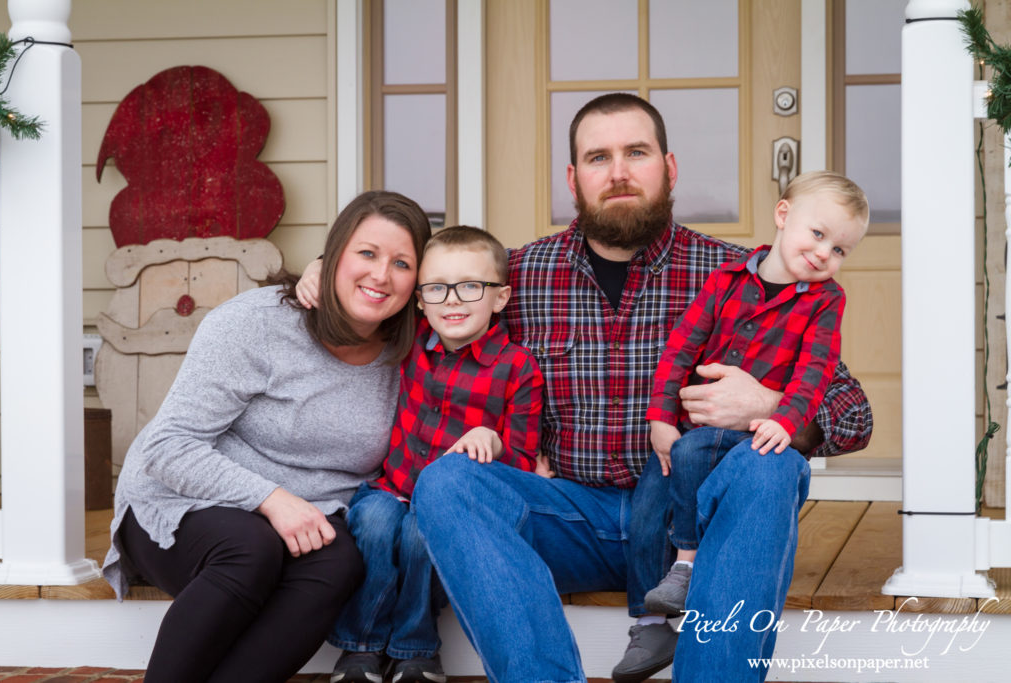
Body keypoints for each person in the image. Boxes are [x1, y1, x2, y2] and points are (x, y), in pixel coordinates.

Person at [296, 94, 872, 683]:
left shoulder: (738, 276)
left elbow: (853, 414)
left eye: (636, 152)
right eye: (599, 157)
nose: (618, 172)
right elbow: (409, 303)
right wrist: (334, 270)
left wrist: (770, 405)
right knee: (448, 483)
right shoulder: (516, 278)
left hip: (691, 531)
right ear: (573, 179)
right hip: (567, 516)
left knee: (771, 467)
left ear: (669, 169)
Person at [101, 190, 432, 683]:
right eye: (365, 253)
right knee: (250, 549)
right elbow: (167, 448)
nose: (381, 275)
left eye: (402, 263)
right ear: (334, 253)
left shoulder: (417, 349)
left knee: (339, 562)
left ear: (420, 281)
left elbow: (480, 276)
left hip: (305, 517)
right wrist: (270, 498)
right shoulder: (257, 322)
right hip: (179, 500)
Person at [641, 171, 870, 619]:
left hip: (747, 437)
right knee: (648, 509)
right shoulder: (725, 279)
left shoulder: (825, 300)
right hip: (687, 426)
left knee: (696, 459)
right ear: (783, 215)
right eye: (818, 234)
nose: (824, 253)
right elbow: (680, 349)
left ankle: (686, 567)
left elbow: (814, 371)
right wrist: (660, 417)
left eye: (839, 249)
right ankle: (649, 620)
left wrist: (783, 419)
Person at [325, 226, 545, 683]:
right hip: (392, 488)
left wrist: (495, 440)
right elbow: (357, 294)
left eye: (470, 286)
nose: (453, 300)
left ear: (500, 298)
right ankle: (361, 645)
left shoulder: (517, 368)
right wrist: (316, 270)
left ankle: (415, 648)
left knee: (425, 537)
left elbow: (524, 461)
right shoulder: (409, 340)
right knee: (376, 523)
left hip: (453, 507)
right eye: (437, 289)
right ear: (420, 300)